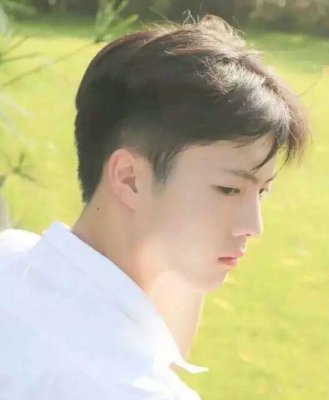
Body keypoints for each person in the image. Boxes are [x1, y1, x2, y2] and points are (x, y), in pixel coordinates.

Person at [0, 14, 309, 400]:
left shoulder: (11, 257)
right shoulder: (127, 388)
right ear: (129, 178)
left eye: (261, 192)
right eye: (229, 189)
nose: (253, 226)